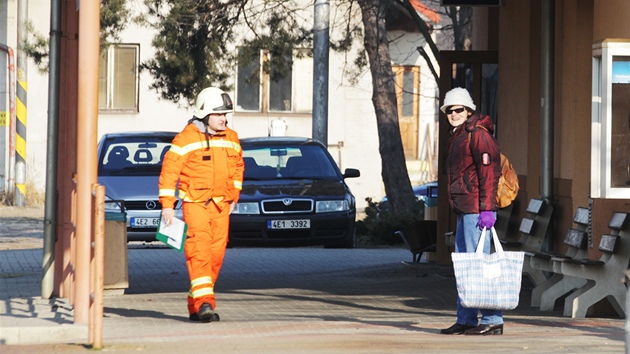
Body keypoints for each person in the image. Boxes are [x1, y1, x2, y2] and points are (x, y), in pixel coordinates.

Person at [158, 87, 244, 323]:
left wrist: (233, 196)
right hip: (195, 204)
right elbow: (169, 172)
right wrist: (167, 204)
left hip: (221, 206)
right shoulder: (185, 139)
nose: (224, 119)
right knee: (199, 253)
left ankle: (196, 304)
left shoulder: (232, 139)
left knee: (215, 257)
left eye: (226, 114)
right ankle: (206, 303)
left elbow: (238, 168)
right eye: (219, 115)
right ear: (205, 114)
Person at [438, 87, 503, 335]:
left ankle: (493, 319)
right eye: (450, 110)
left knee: (482, 266)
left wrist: (488, 210)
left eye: (459, 110)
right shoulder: (457, 135)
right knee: (466, 267)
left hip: (477, 211)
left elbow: (489, 173)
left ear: (468, 111)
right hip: (465, 210)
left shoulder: (478, 135)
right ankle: (466, 318)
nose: (454, 113)